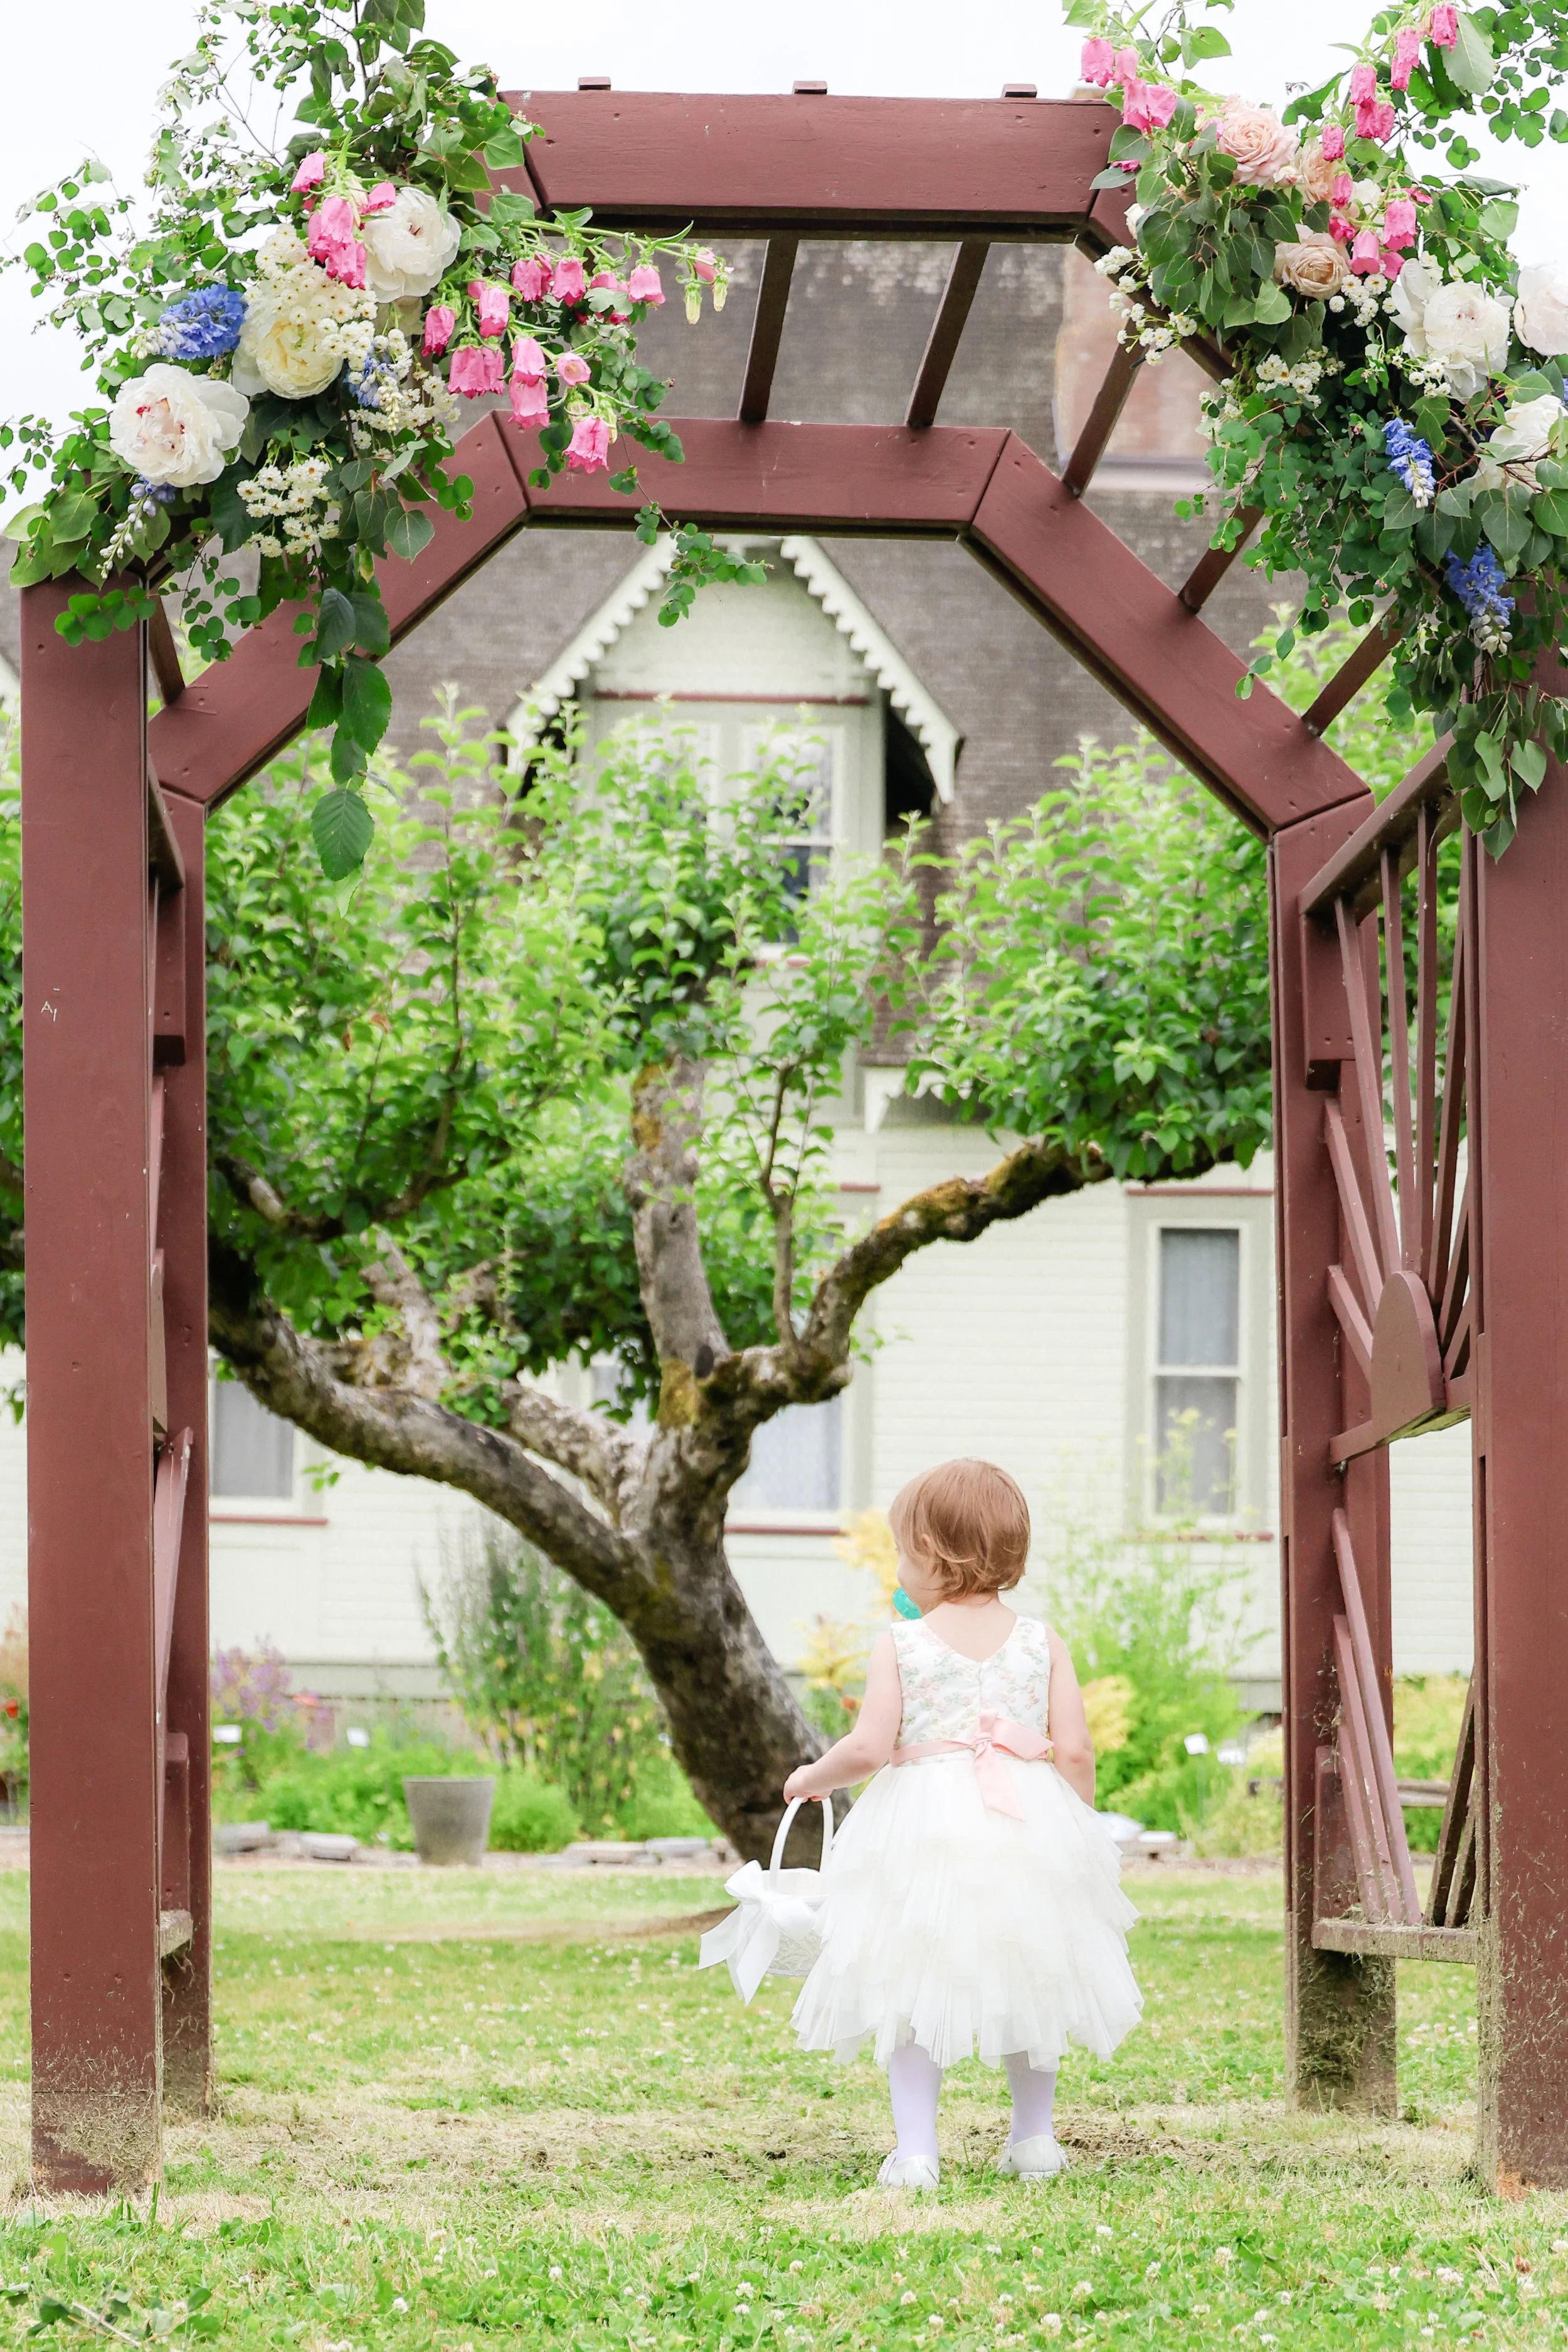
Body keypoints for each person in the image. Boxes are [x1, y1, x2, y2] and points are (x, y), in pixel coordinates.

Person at [784, 1458, 1142, 2190]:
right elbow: (1073, 1748)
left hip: (924, 1823)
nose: (896, 1566)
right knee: (1032, 1970)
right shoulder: (1043, 1642)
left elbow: (869, 1747)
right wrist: (1077, 1829)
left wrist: (809, 1779)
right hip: (1026, 1818)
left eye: (901, 1550)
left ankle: (916, 2152)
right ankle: (1034, 2140)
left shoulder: (902, 1644)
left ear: (933, 1554)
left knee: (912, 1976)